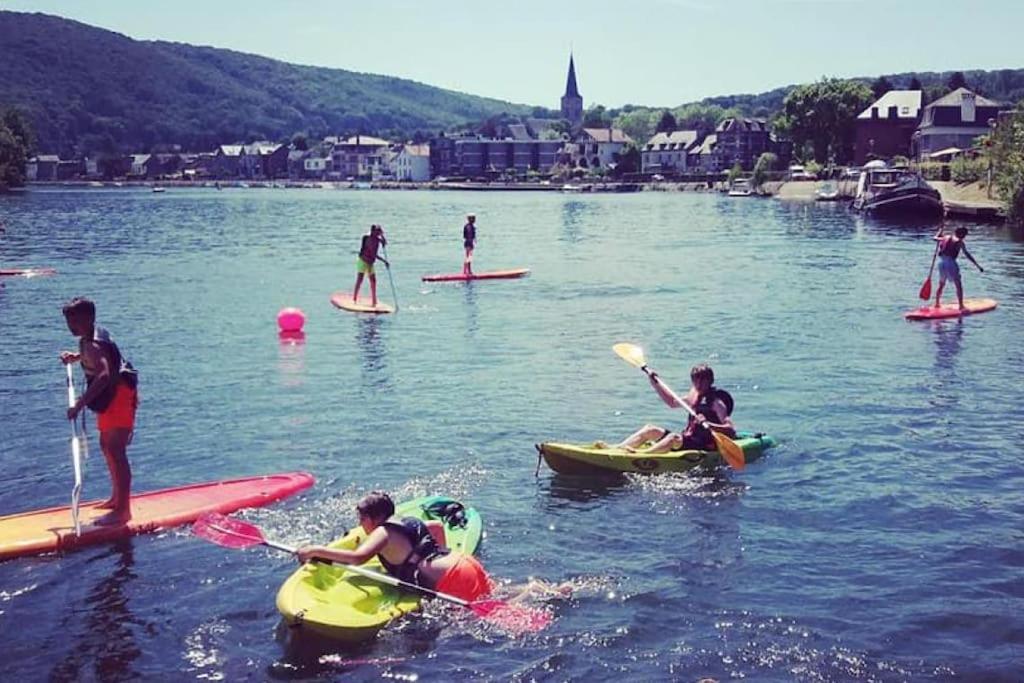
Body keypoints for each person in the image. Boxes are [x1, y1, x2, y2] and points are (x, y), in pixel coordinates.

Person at [297, 491, 493, 603]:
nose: (360, 524)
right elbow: (437, 527)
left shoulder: (382, 532)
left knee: (492, 616)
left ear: (375, 518)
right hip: (463, 562)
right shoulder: (407, 520)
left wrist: (314, 550)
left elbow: (358, 558)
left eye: (362, 519)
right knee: (492, 599)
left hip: (454, 577)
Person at [60, 297, 138, 525]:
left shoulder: (93, 344)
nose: (71, 326)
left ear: (90, 319)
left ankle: (123, 511)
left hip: (120, 395)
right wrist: (76, 358)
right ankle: (116, 499)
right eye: (69, 321)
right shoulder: (90, 338)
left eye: (76, 321)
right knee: (107, 446)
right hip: (111, 396)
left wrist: (79, 404)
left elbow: (103, 374)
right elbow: (100, 359)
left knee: (116, 449)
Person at [600, 363, 736, 454]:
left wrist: (709, 424)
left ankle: (642, 455)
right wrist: (654, 383)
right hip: (689, 439)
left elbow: (731, 429)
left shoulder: (716, 403)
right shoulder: (693, 397)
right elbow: (671, 402)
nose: (699, 384)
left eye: (703, 380)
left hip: (703, 444)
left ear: (710, 381)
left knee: (673, 437)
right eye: (696, 380)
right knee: (650, 429)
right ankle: (618, 449)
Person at [933, 226, 983, 311]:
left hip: (941, 263)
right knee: (958, 285)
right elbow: (967, 255)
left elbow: (935, 238)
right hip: (951, 263)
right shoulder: (959, 242)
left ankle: (937, 304)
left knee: (941, 284)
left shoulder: (945, 237)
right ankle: (961, 306)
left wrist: (940, 231)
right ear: (961, 234)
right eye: (964, 235)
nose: (965, 237)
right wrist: (977, 265)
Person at [352, 224, 388, 306]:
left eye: (379, 232)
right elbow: (373, 254)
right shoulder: (368, 239)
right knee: (360, 279)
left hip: (370, 262)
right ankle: (354, 298)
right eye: (377, 232)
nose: (378, 234)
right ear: (373, 231)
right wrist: (384, 261)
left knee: (373, 281)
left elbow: (385, 243)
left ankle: (374, 300)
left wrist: (382, 236)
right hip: (363, 261)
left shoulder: (377, 238)